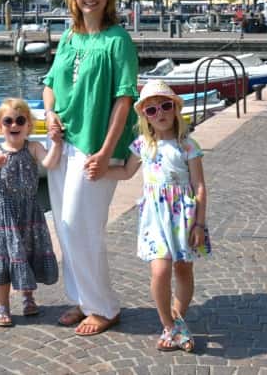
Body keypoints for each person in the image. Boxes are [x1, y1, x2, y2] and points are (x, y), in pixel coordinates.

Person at [42, 0, 139, 336]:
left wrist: (105, 151)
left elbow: (124, 99)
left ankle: (105, 306)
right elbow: (50, 83)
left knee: (83, 226)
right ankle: (83, 300)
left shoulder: (118, 40)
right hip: (62, 141)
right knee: (66, 229)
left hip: (94, 145)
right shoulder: (68, 37)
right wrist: (49, 114)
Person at [105, 80, 210, 352]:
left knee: (183, 268)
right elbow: (126, 172)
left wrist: (199, 222)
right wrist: (99, 170)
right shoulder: (142, 144)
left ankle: (177, 317)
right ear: (144, 117)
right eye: (151, 110)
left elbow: (199, 185)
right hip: (154, 216)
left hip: (183, 216)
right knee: (160, 270)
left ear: (175, 108)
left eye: (165, 106)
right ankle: (168, 325)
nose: (159, 113)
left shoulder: (187, 145)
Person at [0, 98, 61, 327]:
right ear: (0, 126)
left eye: (20, 120)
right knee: (3, 258)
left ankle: (28, 297)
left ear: (28, 125)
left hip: (29, 213)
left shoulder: (33, 148)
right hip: (3, 215)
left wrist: (57, 144)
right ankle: (3, 306)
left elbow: (49, 163)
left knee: (28, 254)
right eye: (8, 121)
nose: (14, 125)